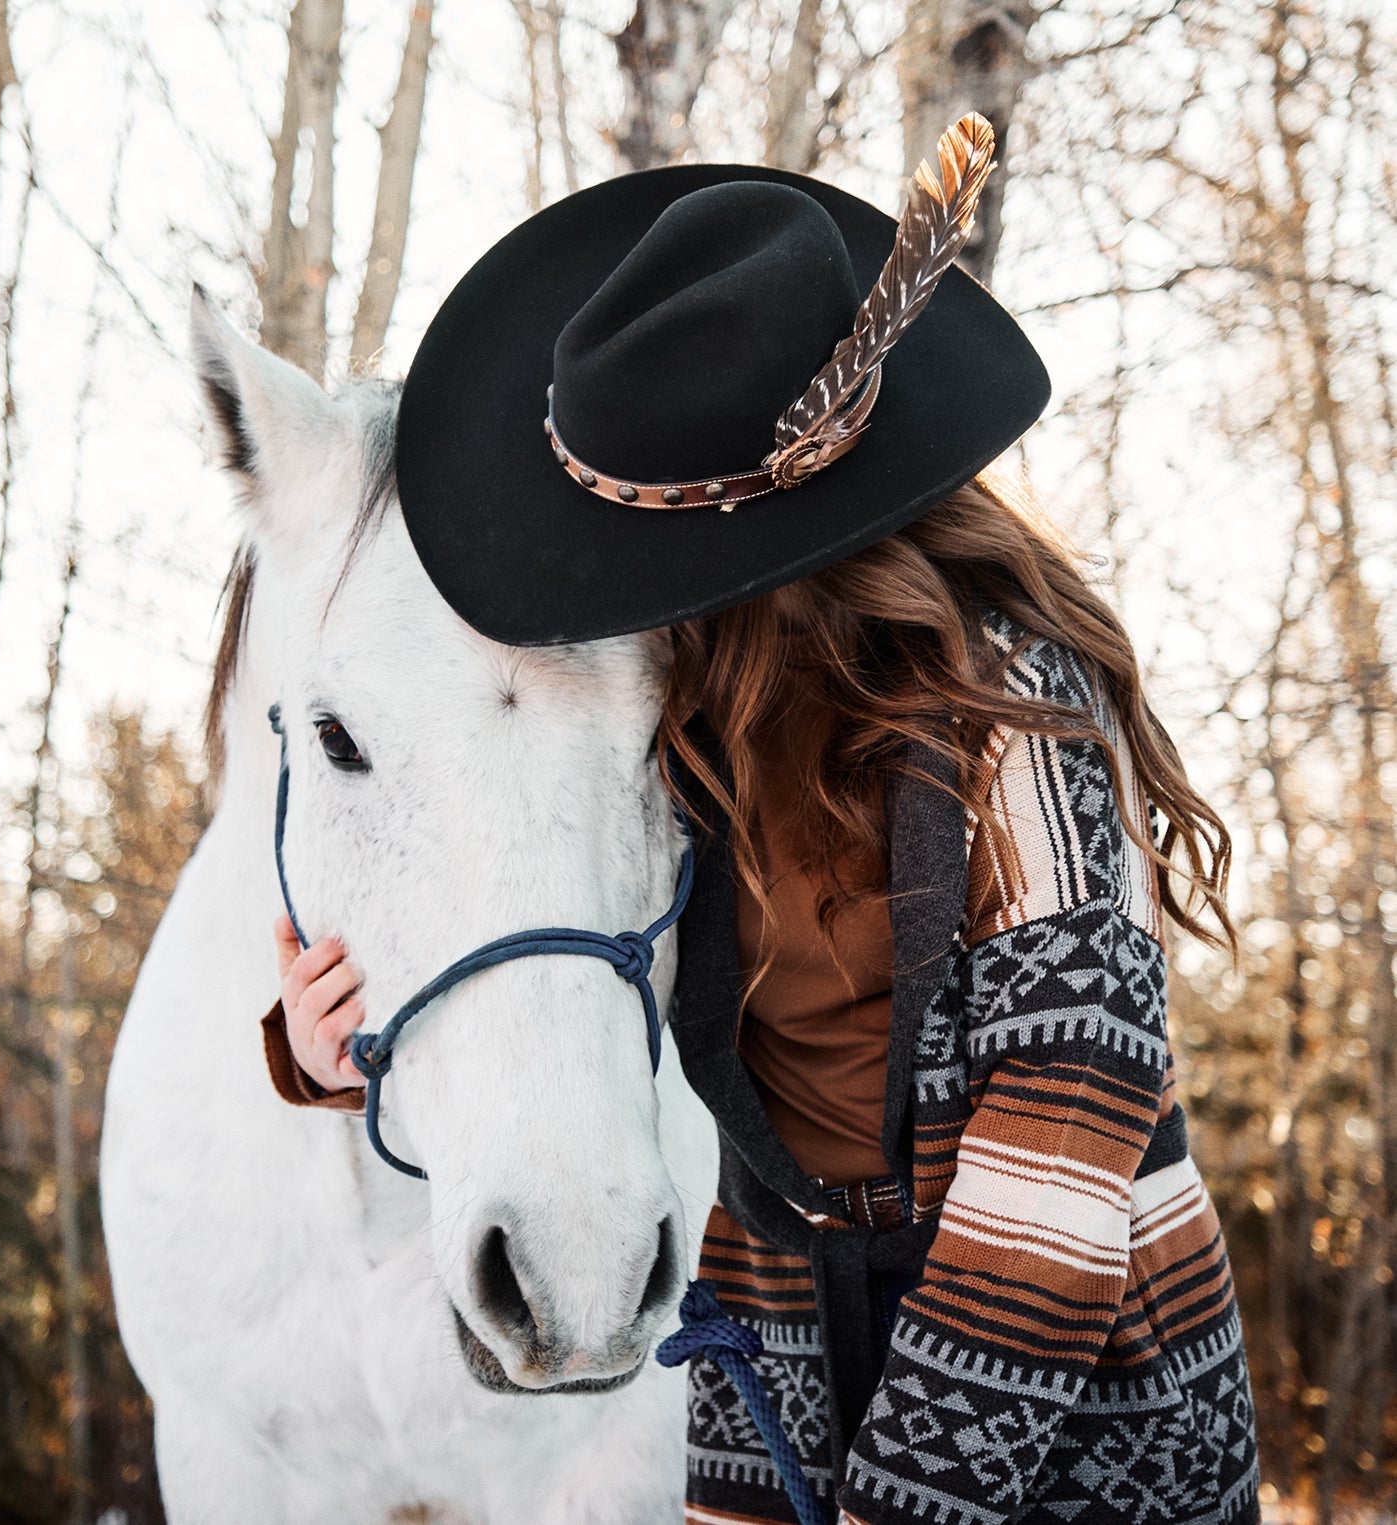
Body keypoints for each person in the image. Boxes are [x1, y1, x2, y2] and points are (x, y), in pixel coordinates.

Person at [261, 116, 1260, 1525]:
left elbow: (1068, 1116)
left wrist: (902, 1500)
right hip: (787, 1342)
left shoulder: (1006, 694)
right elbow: (541, 963)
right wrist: (331, 1048)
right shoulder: (679, 705)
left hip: (1068, 1362)